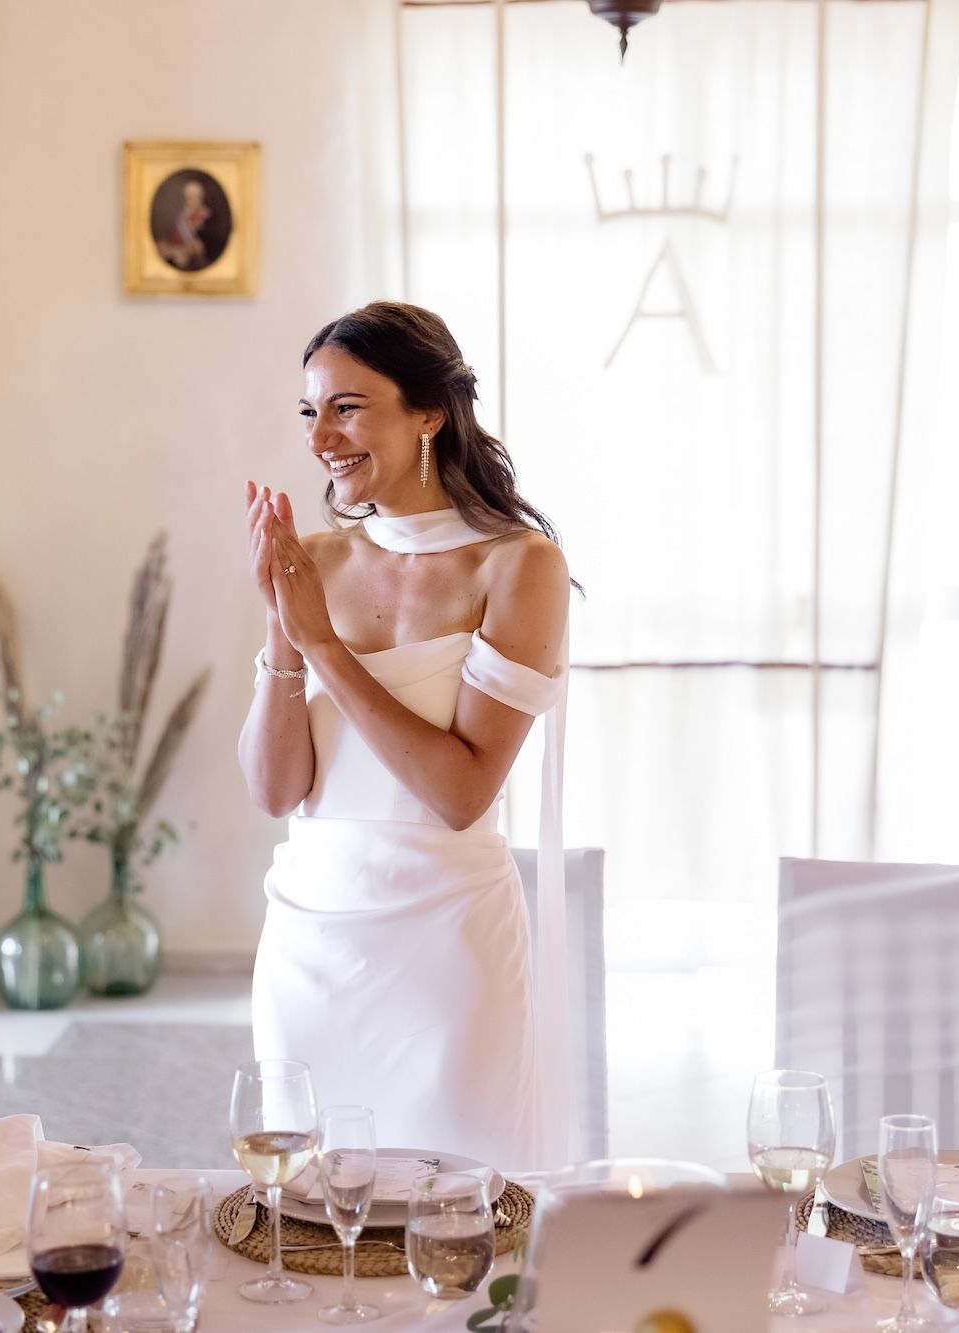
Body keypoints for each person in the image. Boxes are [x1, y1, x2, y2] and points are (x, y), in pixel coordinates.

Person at [238, 300, 571, 1169]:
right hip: (309, 942)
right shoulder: (318, 561)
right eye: (311, 412)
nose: (321, 439)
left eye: (348, 407)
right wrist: (282, 628)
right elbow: (276, 791)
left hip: (444, 948)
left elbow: (461, 794)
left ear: (429, 411)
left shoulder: (518, 565)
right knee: (310, 1219)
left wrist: (319, 641)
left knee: (460, 1216)